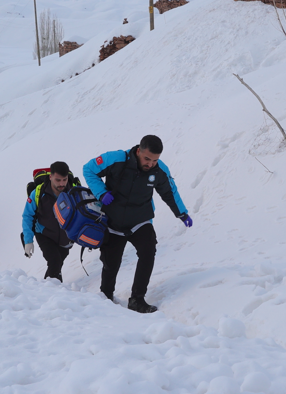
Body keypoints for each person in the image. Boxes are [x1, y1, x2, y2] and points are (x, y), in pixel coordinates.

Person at [83, 134, 192, 313]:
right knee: (111, 262)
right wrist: (101, 192)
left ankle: (137, 299)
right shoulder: (116, 159)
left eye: (155, 160)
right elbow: (89, 169)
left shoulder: (159, 170)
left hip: (140, 220)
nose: (150, 164)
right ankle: (106, 297)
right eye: (147, 158)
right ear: (138, 150)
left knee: (148, 251)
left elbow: (169, 191)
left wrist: (181, 213)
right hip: (113, 220)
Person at [21, 161, 80, 281]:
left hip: (66, 237)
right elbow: (27, 216)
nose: (62, 183)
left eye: (64, 179)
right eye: (58, 180)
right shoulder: (38, 192)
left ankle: (45, 291)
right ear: (51, 177)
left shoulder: (74, 192)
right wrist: (28, 240)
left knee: (56, 267)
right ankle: (56, 294)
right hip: (44, 233)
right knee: (54, 262)